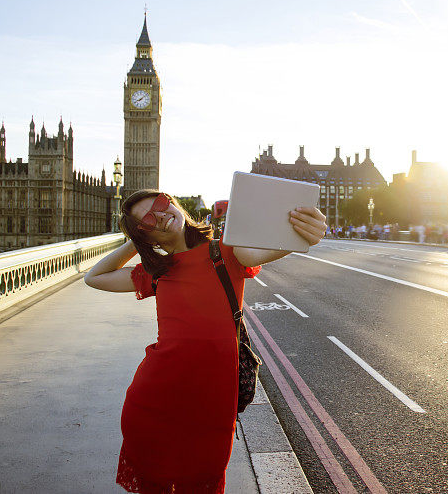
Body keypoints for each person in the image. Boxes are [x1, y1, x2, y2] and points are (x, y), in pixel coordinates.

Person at [84, 190, 326, 493]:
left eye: (162, 204)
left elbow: (272, 247)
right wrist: (138, 241)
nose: (161, 214)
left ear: (175, 204)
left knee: (202, 483)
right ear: (146, 236)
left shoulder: (225, 251)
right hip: (152, 404)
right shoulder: (156, 273)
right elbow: (94, 277)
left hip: (213, 405)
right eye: (148, 218)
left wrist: (305, 233)